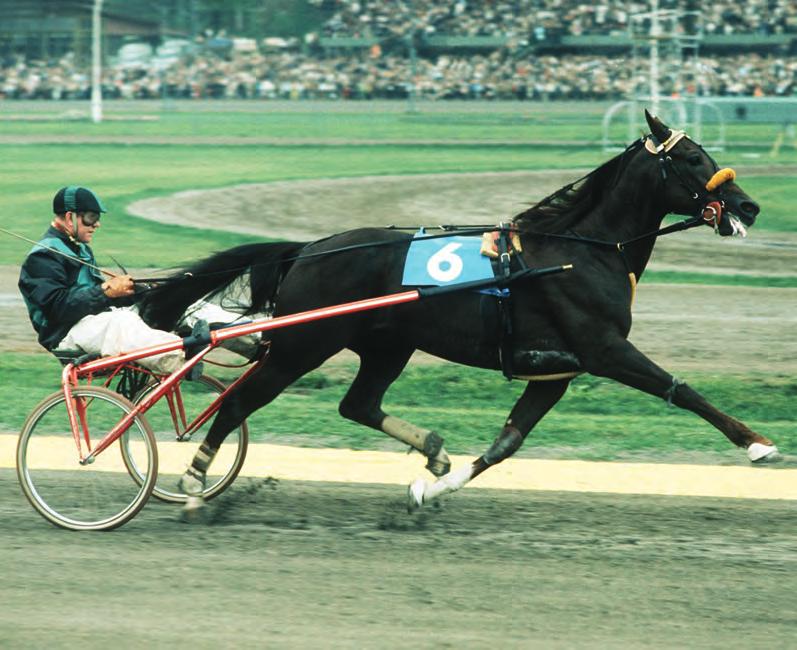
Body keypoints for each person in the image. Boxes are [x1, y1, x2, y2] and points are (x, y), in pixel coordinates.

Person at [18, 185, 184, 374]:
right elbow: (58, 308)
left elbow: (94, 298)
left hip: (90, 323)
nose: (97, 224)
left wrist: (141, 291)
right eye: (90, 217)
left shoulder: (79, 249)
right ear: (69, 217)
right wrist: (105, 291)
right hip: (65, 333)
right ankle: (178, 356)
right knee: (122, 321)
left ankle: (214, 332)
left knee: (157, 302)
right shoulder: (43, 257)